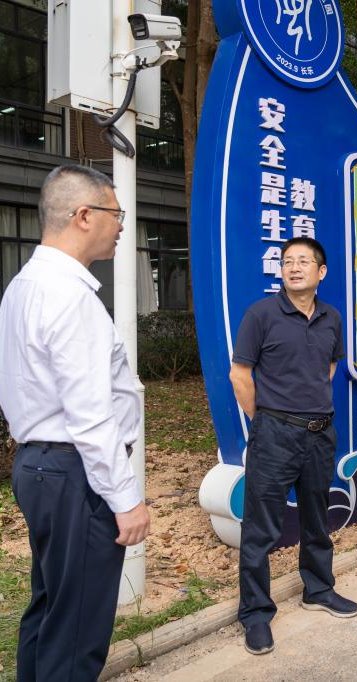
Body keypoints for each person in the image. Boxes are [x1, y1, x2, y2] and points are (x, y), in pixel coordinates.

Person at [0, 164, 151, 680]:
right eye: (117, 213)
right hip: (74, 475)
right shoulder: (69, 296)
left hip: (39, 468)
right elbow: (90, 417)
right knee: (79, 628)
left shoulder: (23, 285)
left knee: (50, 608)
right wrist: (126, 498)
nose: (122, 225)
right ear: (84, 216)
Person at [229, 236, 357, 656]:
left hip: (320, 434)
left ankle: (319, 590)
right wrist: (266, 420)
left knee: (317, 520)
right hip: (274, 434)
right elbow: (240, 375)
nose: (294, 267)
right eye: (288, 261)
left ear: (321, 273)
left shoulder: (331, 318)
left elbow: (329, 367)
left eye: (304, 261)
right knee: (261, 529)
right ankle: (255, 614)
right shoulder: (262, 314)